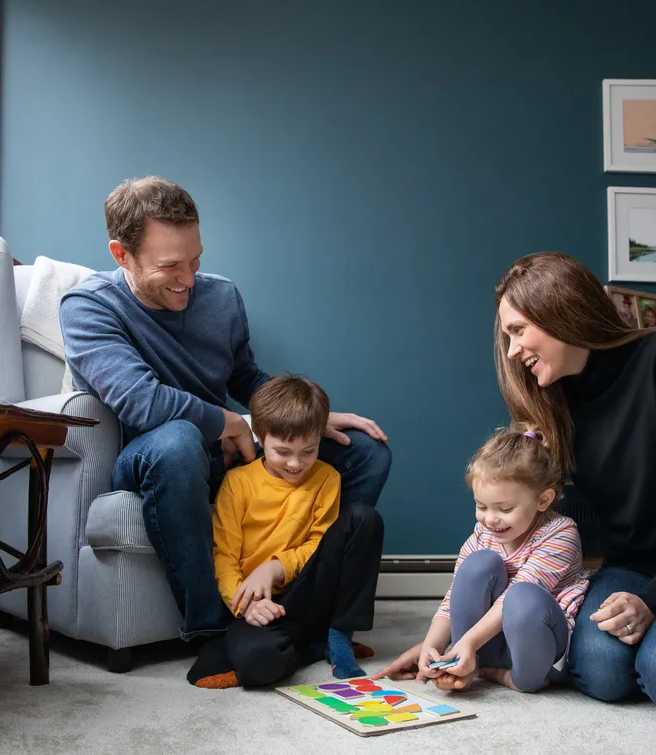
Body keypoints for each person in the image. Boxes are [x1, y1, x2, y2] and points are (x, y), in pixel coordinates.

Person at [375, 252, 656, 720]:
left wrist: (652, 602)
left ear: (560, 312)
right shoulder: (552, 403)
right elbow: (546, 525)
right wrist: (445, 639)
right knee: (598, 674)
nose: (512, 351)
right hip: (632, 568)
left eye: (518, 331)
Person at [60, 177, 392, 645]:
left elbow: (246, 380)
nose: (189, 280)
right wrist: (227, 421)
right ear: (122, 255)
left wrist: (308, 417)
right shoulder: (88, 308)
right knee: (178, 441)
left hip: (230, 453)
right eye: (171, 266)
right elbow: (140, 400)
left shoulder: (221, 297)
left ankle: (308, 607)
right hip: (154, 459)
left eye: (195, 260)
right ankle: (211, 631)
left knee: (365, 451)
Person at [187, 375, 384, 688]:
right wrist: (245, 604)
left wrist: (274, 567)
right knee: (257, 666)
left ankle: (338, 635)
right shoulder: (238, 483)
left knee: (364, 518)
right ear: (260, 439)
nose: (296, 463)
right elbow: (223, 555)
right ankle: (314, 645)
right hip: (263, 604)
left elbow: (319, 545)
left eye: (309, 451)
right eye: (283, 452)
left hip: (310, 592)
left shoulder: (326, 478)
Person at [413, 426, 588, 693]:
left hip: (540, 652)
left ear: (543, 500)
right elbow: (455, 597)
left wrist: (469, 642)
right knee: (477, 565)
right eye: (481, 506)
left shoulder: (561, 534)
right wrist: (433, 645)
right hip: (492, 640)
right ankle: (466, 665)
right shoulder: (483, 533)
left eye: (504, 509)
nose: (490, 519)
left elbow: (514, 599)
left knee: (522, 597)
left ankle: (516, 680)